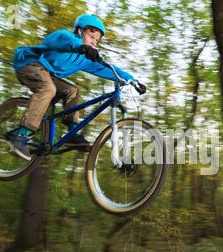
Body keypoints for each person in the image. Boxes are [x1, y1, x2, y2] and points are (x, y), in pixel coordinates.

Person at [9, 14, 146, 160]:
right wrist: (82, 47)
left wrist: (132, 80)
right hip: (29, 63)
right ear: (80, 31)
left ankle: (72, 132)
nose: (94, 42)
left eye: (97, 41)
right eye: (91, 37)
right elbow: (68, 42)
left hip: (48, 73)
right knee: (48, 89)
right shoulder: (64, 36)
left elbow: (107, 68)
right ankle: (20, 135)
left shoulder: (85, 58)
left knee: (72, 90)